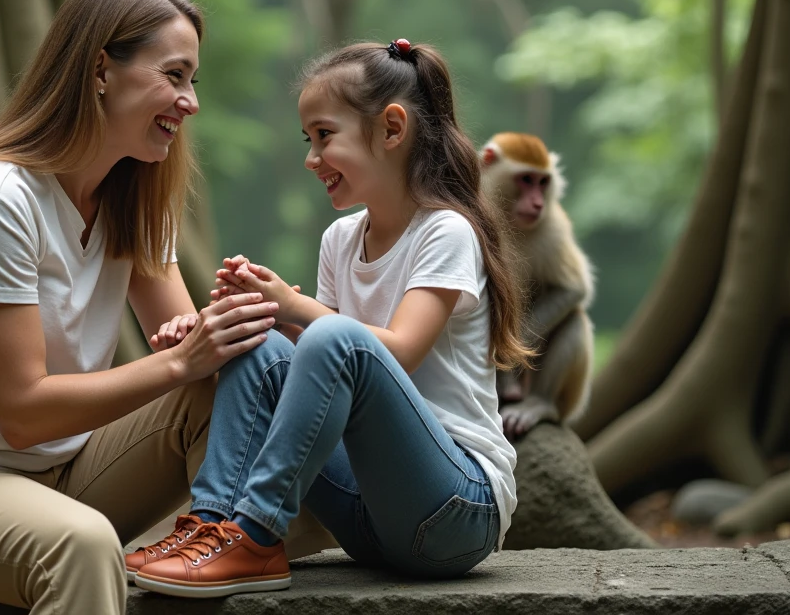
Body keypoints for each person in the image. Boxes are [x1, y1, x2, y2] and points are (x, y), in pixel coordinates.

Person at [0, 0, 281, 614]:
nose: (190, 101)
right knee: (83, 545)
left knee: (236, 393)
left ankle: (216, 546)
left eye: (192, 80)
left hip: (71, 472)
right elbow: (22, 412)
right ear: (99, 70)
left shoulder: (132, 195)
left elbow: (197, 361)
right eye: (173, 76)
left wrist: (240, 320)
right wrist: (178, 359)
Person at [133, 39, 533, 598]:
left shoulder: (445, 232)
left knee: (331, 334)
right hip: (370, 517)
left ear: (392, 130)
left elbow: (397, 349)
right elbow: (321, 374)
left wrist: (293, 307)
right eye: (308, 139)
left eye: (325, 136)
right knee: (258, 344)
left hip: (455, 509)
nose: (311, 156)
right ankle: (214, 525)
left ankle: (256, 532)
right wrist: (242, 317)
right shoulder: (341, 239)